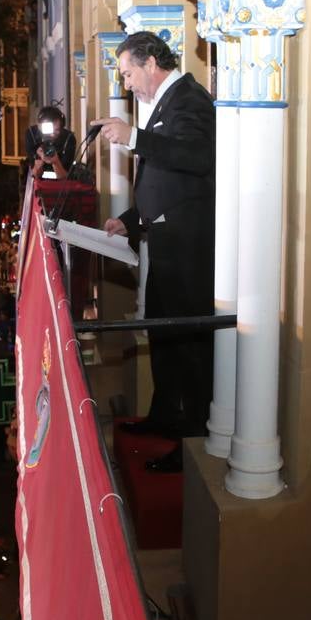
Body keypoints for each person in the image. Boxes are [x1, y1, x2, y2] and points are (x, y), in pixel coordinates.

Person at [92, 30, 216, 473]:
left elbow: (197, 158)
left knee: (189, 347)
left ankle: (192, 442)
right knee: (163, 337)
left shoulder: (188, 99)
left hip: (186, 246)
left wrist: (136, 138)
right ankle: (164, 419)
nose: (126, 83)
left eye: (128, 72)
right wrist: (126, 220)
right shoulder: (163, 104)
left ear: (150, 63)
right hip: (163, 241)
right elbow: (166, 181)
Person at [24, 106, 76, 181]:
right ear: (39, 125)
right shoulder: (32, 134)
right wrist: (39, 160)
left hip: (60, 186)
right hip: (40, 186)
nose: (51, 134)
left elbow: (65, 178)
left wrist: (55, 161)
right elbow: (35, 175)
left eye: (56, 130)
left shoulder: (68, 139)